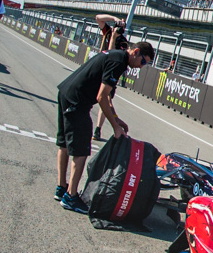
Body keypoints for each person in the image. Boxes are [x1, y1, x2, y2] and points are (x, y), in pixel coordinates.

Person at [55, 40, 155, 213]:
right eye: (143, 62)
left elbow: (106, 96)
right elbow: (102, 97)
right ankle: (70, 197)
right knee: (80, 151)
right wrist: (115, 127)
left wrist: (117, 119)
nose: (141, 67)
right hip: (77, 102)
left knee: (64, 144)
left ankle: (61, 188)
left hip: (66, 93)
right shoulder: (118, 62)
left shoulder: (116, 56)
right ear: (135, 52)